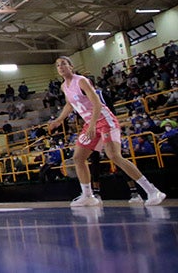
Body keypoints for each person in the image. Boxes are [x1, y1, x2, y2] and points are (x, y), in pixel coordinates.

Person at [47, 56, 166, 207]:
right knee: (78, 157)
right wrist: (59, 120)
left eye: (63, 64)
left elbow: (97, 102)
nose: (60, 67)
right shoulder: (64, 86)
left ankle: (152, 191)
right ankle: (88, 195)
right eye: (58, 65)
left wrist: (92, 125)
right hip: (90, 123)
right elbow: (70, 104)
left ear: (71, 66)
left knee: (114, 156)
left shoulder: (81, 80)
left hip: (104, 120)